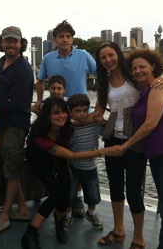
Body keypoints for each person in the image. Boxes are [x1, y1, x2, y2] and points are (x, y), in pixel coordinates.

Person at [95, 41, 163, 249]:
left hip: (135, 141)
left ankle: (138, 237)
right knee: (115, 187)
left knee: (133, 191)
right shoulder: (103, 82)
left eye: (111, 55)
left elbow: (157, 81)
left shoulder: (134, 75)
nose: (108, 60)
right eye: (103, 58)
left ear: (118, 55)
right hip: (112, 139)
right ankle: (119, 229)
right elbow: (98, 111)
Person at [21, 97, 122, 249]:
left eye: (63, 112)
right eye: (56, 113)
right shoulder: (39, 135)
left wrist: (99, 119)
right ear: (47, 115)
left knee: (66, 194)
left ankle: (59, 223)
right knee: (56, 192)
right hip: (40, 160)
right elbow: (71, 155)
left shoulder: (66, 127)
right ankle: (31, 231)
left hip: (59, 159)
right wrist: (104, 151)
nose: (61, 116)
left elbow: (82, 121)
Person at [117, 49, 163, 249]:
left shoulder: (157, 88)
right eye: (134, 68)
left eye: (142, 66)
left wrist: (125, 145)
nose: (138, 71)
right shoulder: (145, 89)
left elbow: (150, 124)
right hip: (158, 156)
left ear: (153, 67)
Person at [32, 19, 97, 216]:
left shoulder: (84, 55)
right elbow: (41, 79)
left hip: (79, 114)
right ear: (54, 39)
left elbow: (100, 74)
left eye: (68, 36)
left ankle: (76, 199)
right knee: (60, 155)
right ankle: (62, 196)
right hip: (56, 114)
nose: (65, 39)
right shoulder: (48, 58)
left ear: (72, 38)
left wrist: (101, 105)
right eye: (61, 36)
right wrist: (39, 101)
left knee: (78, 155)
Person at [0, 26, 33, 235]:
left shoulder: (23, 69)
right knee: (8, 166)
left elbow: (13, 100)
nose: (11, 45)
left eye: (15, 41)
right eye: (7, 41)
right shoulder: (2, 63)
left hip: (14, 124)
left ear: (21, 43)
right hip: (1, 123)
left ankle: (4, 215)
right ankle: (22, 209)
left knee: (12, 169)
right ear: (2, 43)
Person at [65, 93, 106, 231]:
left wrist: (102, 121)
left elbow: (106, 134)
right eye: (77, 111)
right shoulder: (69, 128)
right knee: (69, 195)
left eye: (84, 110)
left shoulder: (94, 125)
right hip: (73, 166)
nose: (82, 114)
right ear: (70, 112)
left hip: (91, 166)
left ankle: (91, 213)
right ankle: (68, 216)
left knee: (93, 194)